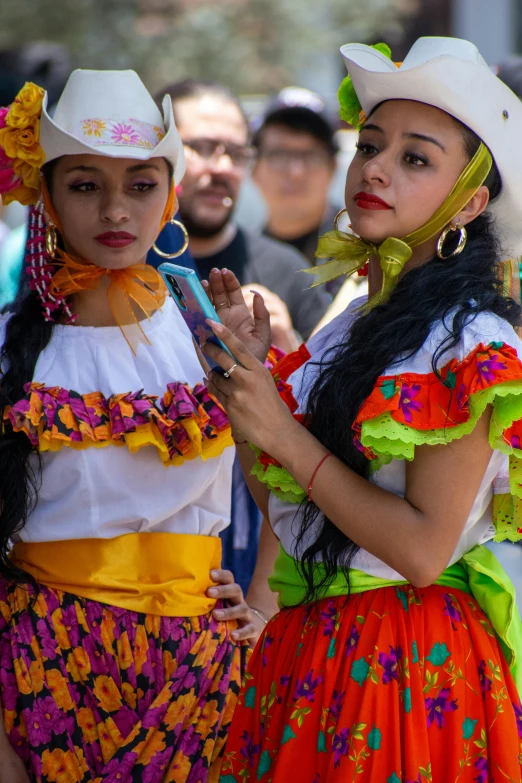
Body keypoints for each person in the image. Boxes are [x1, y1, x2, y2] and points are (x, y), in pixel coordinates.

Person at [201, 37, 522, 780]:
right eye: (370, 144)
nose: (375, 167)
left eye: (416, 158)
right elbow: (284, 502)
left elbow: (420, 552)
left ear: (470, 201)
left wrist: (281, 428)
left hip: (405, 666)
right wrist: (247, 390)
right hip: (309, 648)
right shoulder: (349, 326)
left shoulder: (470, 341)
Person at [0, 70, 270, 783]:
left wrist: (265, 606)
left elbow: (282, 478)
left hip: (201, 667)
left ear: (170, 195)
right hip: (45, 663)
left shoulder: (204, 332)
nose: (116, 208)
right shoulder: (10, 347)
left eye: (141, 184)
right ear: (49, 199)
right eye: (86, 184)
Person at [149, 79, 331, 346]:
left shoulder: (288, 273)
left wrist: (288, 350)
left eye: (236, 153)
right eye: (202, 147)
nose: (223, 167)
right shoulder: (116, 261)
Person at [252, 87, 340, 264]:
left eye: (311, 156)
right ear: (254, 168)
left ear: (333, 167)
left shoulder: (365, 253)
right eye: (279, 155)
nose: (295, 173)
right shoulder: (241, 259)